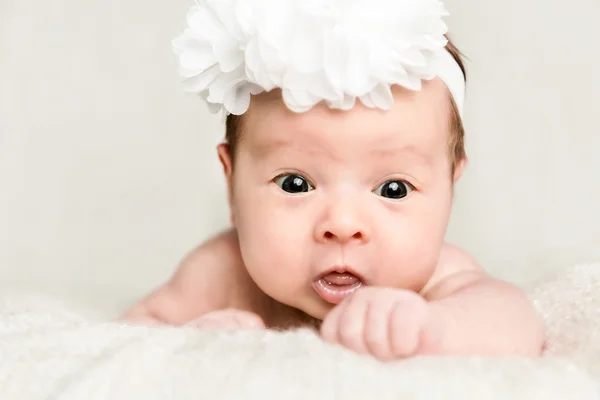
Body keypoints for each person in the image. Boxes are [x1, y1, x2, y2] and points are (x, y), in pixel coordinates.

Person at [122, 0, 545, 360]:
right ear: (231, 184)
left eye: (393, 189)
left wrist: (432, 327)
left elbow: (518, 324)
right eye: (294, 184)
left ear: (450, 191)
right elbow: (132, 333)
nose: (342, 224)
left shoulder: (440, 280)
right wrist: (195, 341)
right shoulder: (223, 273)